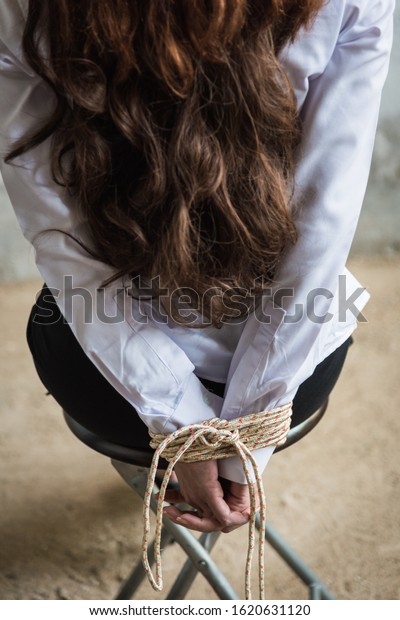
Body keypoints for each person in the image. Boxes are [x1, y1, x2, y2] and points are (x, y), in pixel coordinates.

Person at [0, 0, 394, 535]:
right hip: (299, 375)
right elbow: (320, 232)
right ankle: (173, 482)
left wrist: (184, 429)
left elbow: (67, 247)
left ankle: (153, 480)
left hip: (106, 390)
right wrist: (242, 443)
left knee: (60, 303)